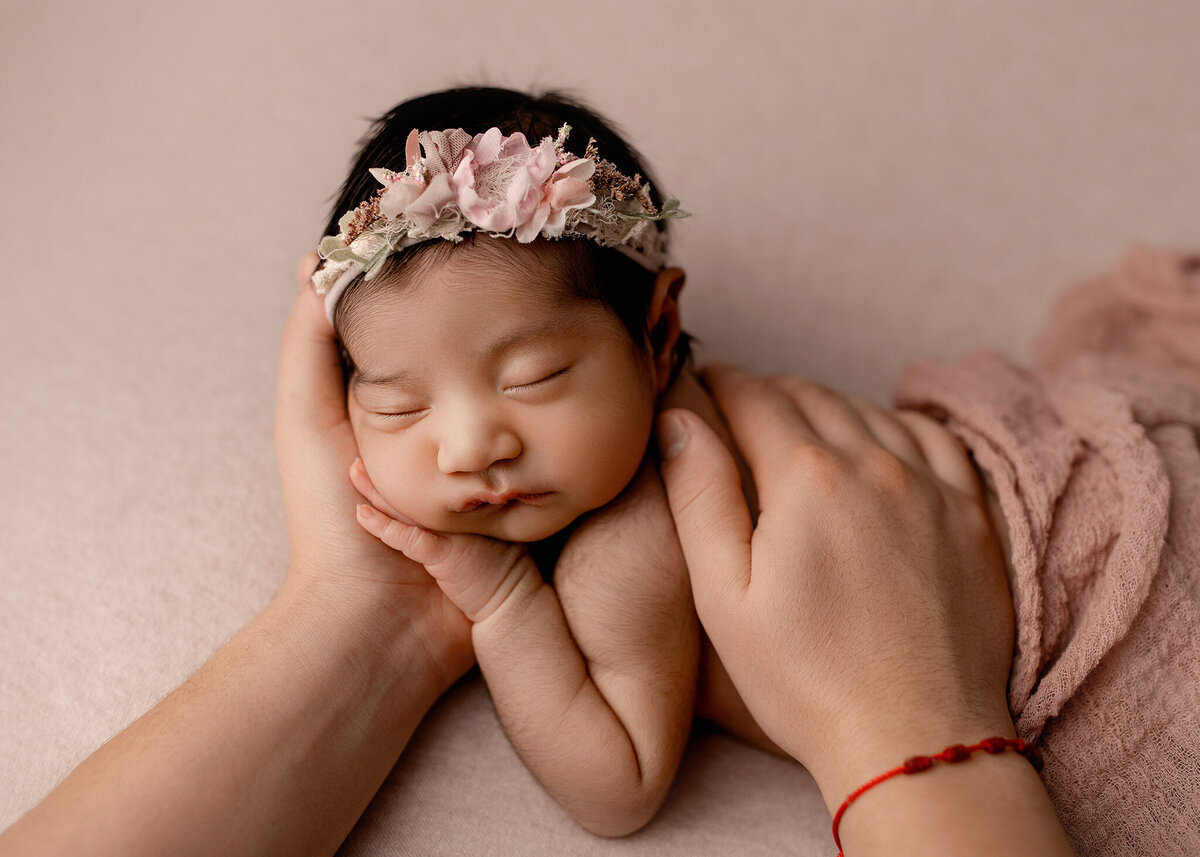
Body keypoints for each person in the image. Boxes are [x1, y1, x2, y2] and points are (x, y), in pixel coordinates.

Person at [0, 257, 1076, 855]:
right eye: (399, 400)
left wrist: (504, 596)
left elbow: (617, 785)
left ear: (658, 334)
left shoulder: (629, 539)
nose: (473, 445)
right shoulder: (686, 421)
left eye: (535, 376)